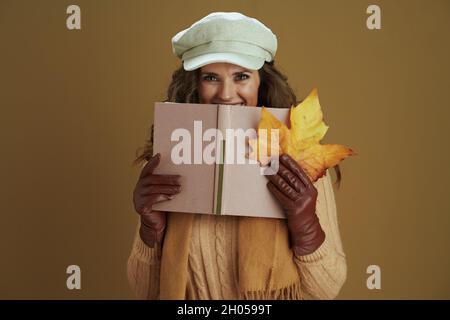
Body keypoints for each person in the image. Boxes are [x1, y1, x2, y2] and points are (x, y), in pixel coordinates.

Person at [127, 12, 347, 300]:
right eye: (211, 78)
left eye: (241, 76)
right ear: (194, 84)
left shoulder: (299, 159)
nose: (226, 94)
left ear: (262, 82)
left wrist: (306, 228)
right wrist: (149, 230)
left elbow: (327, 290)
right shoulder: (167, 157)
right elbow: (144, 290)